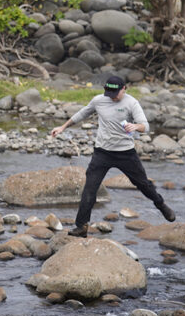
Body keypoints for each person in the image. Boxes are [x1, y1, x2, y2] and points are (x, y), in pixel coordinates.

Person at [49, 75, 175, 237]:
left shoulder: (131, 103)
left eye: (115, 93)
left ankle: (161, 204)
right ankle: (81, 227)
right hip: (102, 152)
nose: (112, 96)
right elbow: (82, 114)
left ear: (124, 89)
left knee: (144, 184)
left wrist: (136, 126)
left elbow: (146, 126)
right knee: (89, 190)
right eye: (109, 93)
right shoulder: (99, 100)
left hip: (126, 153)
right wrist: (63, 127)